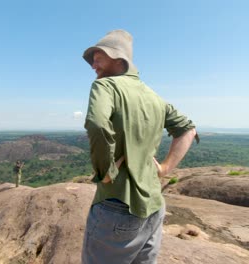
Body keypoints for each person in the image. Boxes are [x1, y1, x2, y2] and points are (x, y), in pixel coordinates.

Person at [81, 29, 199, 264]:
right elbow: (187, 130)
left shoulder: (105, 87)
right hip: (154, 207)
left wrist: (106, 171)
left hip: (117, 205)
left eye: (98, 56)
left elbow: (96, 124)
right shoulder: (154, 97)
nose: (93, 63)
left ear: (118, 57)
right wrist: (165, 168)